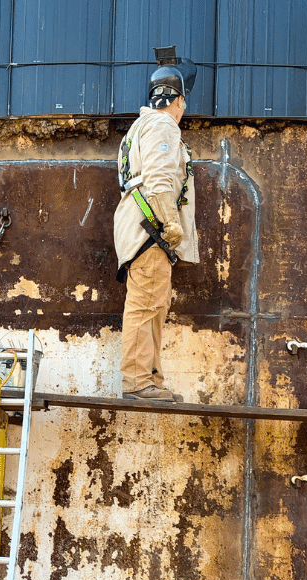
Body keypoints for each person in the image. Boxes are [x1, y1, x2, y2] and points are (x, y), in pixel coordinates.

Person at [113, 47, 199, 402]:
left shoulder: (138, 126)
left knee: (154, 304)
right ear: (177, 100)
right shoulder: (162, 124)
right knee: (146, 304)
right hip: (152, 228)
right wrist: (170, 223)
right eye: (184, 102)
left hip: (141, 225)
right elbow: (160, 179)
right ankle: (137, 383)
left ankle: (151, 380)